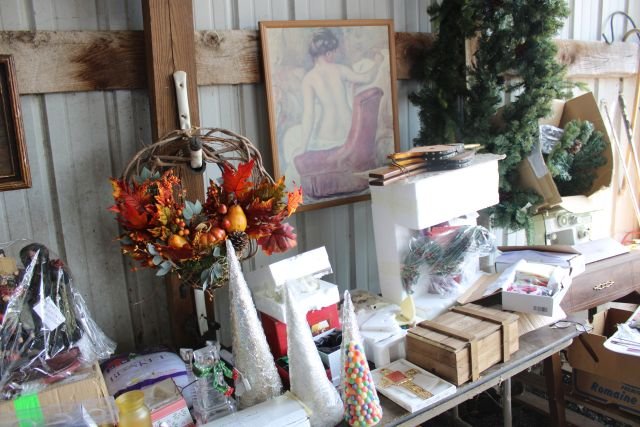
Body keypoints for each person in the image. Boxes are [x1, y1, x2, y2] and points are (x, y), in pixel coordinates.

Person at [300, 28, 383, 152]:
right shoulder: (340, 69)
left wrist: (303, 148)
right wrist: (378, 62)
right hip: (349, 134)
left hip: (327, 137)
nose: (335, 55)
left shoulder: (308, 79)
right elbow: (367, 78)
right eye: (334, 52)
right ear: (328, 53)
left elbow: (309, 115)